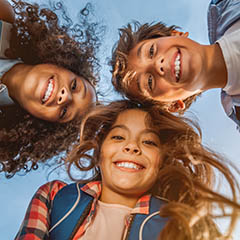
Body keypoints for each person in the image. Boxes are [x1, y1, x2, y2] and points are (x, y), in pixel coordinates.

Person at [15, 100, 240, 240]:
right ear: (99, 150)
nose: (131, 146)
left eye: (149, 142)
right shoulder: (54, 196)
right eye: (119, 136)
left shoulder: (182, 222)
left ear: (162, 161)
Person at [0, 0, 102, 177]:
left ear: (41, 122)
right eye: (75, 86)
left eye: (64, 112)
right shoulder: (3, 17)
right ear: (62, 63)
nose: (65, 97)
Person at [110, 0, 240, 127]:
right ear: (173, 105)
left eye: (151, 51)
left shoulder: (226, 5)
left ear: (175, 34)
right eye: (149, 82)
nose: (157, 65)